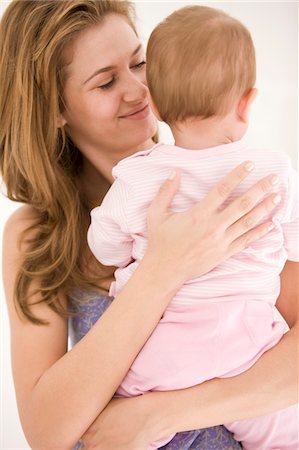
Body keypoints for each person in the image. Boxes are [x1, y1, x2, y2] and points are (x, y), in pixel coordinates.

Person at [0, 1, 297, 450]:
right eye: (106, 81)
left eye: (141, 63)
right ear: (54, 109)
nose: (140, 88)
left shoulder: (236, 185)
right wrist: (161, 269)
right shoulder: (37, 235)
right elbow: (46, 432)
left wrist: (162, 412)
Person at [87, 4, 299, 450]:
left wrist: (129, 251)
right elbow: (295, 247)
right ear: (246, 103)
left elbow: (105, 247)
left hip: (165, 347)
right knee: (283, 433)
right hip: (250, 342)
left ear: (157, 105)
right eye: (106, 80)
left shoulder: (140, 174)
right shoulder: (274, 172)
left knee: (113, 417)